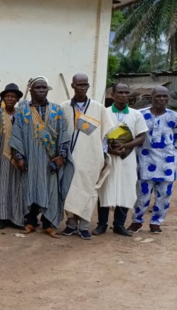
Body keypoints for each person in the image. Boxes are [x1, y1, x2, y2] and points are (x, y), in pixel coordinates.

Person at [9, 76, 72, 238]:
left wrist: (61, 157)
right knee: (30, 189)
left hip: (50, 160)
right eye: (38, 88)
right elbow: (17, 136)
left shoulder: (57, 110)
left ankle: (48, 224)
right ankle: (30, 222)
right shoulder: (23, 111)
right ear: (30, 91)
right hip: (30, 159)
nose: (42, 91)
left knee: (51, 191)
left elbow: (63, 135)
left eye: (44, 88)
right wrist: (19, 156)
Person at [59, 74, 114, 240]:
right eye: (78, 84)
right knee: (69, 189)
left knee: (88, 190)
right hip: (70, 157)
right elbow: (61, 133)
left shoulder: (98, 108)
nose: (82, 87)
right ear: (72, 86)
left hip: (91, 157)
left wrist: (102, 156)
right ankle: (70, 224)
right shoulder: (64, 107)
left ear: (88, 86)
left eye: (85, 85)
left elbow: (104, 134)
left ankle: (83, 226)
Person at [95, 83, 148, 235]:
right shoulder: (103, 113)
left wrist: (126, 146)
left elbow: (142, 136)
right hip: (108, 157)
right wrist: (109, 149)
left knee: (126, 189)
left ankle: (119, 225)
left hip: (127, 159)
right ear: (112, 94)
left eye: (126, 92)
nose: (124, 95)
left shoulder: (135, 114)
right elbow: (98, 135)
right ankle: (102, 224)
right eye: (120, 92)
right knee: (104, 189)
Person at [129, 86, 177, 233]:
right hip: (144, 160)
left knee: (164, 195)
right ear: (152, 97)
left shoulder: (174, 116)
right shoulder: (140, 114)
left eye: (164, 96)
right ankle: (137, 221)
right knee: (142, 195)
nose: (162, 99)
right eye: (158, 96)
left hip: (167, 162)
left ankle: (156, 222)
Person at [0, 83, 26, 229]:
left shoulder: (21, 114)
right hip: (1, 153)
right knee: (1, 185)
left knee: (16, 186)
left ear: (17, 99)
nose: (10, 99)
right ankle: (0, 217)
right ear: (3, 98)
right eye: (7, 96)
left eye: (13, 96)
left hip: (18, 155)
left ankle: (15, 217)